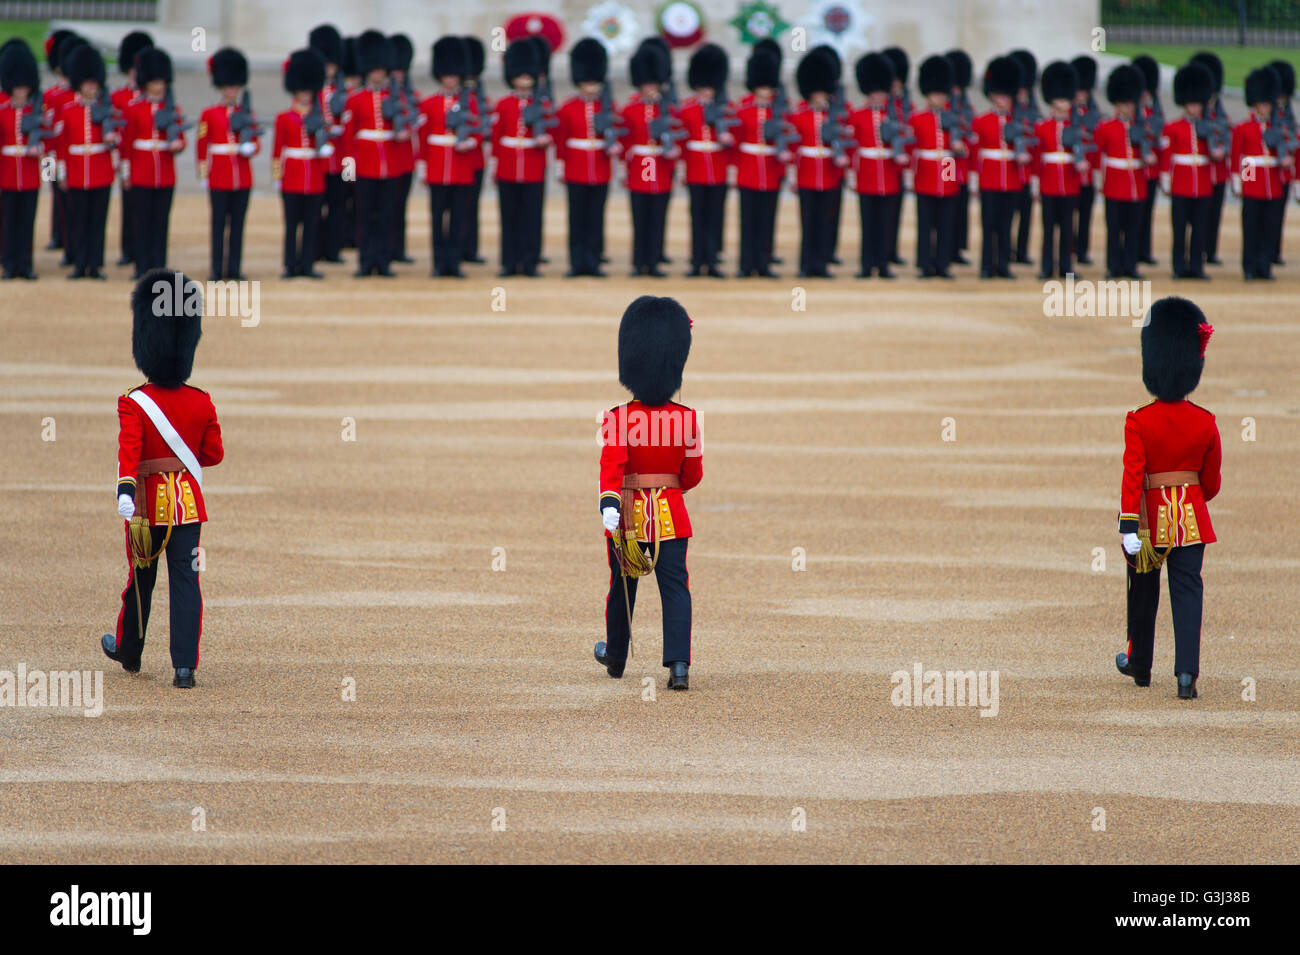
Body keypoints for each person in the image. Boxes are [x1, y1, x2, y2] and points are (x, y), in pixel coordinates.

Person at [102, 270, 224, 689]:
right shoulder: (201, 402)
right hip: (188, 506)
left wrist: (125, 491)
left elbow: (129, 453)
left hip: (147, 506)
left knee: (141, 578)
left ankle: (129, 651)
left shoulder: (134, 403)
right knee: (187, 581)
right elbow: (213, 455)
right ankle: (184, 668)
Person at [595, 296, 701, 692]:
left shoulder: (618, 418)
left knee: (623, 586)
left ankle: (617, 655)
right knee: (675, 589)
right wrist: (668, 488)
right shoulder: (687, 419)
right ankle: (678, 666)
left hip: (628, 517)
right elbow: (692, 475)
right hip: (673, 517)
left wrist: (610, 501)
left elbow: (612, 464)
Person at [1115, 297, 1220, 701]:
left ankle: (1141, 665)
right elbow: (1211, 482)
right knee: (1188, 590)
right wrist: (1192, 496)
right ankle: (1186, 675)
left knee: (1143, 587)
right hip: (1191, 517)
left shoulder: (1139, 420)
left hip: (1149, 519)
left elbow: (1132, 475)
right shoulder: (1205, 421)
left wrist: (1128, 525)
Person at [342, 30, 404, 277]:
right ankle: (366, 260)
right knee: (365, 215)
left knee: (387, 216)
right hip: (366, 164)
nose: (378, 73)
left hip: (390, 164)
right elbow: (348, 138)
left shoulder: (396, 97)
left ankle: (384, 261)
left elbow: (405, 130)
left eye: (381, 69)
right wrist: (349, 171)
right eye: (374, 69)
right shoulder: (355, 99)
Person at [120, 47, 186, 277]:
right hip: (141, 172)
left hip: (165, 173)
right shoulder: (134, 108)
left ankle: (159, 267)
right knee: (142, 222)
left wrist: (178, 145)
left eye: (161, 82)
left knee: (161, 223)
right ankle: (141, 267)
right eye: (154, 81)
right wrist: (126, 173)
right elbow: (127, 144)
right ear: (146, 82)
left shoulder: (173, 109)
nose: (159, 86)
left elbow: (180, 137)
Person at [418, 36, 479, 277]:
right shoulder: (429, 103)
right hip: (436, 166)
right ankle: (438, 262)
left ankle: (454, 262)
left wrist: (470, 142)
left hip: (461, 166)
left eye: (454, 75)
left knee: (458, 219)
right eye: (447, 74)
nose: (451, 78)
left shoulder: (470, 102)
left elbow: (478, 131)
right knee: (436, 218)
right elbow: (423, 138)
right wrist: (422, 166)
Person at [554, 37, 616, 278]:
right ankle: (577, 262)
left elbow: (619, 131)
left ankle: (593, 261)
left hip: (600, 167)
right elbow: (561, 140)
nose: (590, 86)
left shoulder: (608, 107)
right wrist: (561, 167)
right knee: (577, 218)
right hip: (575, 167)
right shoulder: (568, 108)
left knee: (596, 218)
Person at [54, 44, 115, 280]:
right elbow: (60, 146)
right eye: (87, 83)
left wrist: (113, 139)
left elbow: (119, 140)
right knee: (78, 220)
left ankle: (95, 265)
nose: (91, 87)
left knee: (98, 221)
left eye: (94, 83)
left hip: (101, 171)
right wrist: (60, 174)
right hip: (77, 172)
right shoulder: (68, 110)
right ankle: (80, 264)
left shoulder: (107, 111)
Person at [197, 47, 258, 281]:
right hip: (219, 176)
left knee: (238, 226)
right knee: (218, 224)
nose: (232, 91)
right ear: (221, 87)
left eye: (235, 87)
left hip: (242, 176)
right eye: (228, 87)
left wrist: (251, 148)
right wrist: (204, 174)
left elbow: (254, 140)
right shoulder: (209, 114)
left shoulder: (247, 114)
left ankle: (234, 268)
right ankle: (216, 268)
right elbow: (202, 146)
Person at [491, 38, 550, 277]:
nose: (525, 78)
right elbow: (496, 138)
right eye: (520, 73)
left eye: (529, 74)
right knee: (509, 217)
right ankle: (509, 262)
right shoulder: (504, 104)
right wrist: (495, 166)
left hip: (533, 165)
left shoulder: (543, 104)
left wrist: (546, 140)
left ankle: (530, 262)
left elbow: (554, 131)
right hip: (507, 165)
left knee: (532, 217)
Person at [619, 41, 678, 277]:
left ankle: (653, 261)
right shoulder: (630, 110)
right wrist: (624, 169)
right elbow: (625, 141)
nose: (651, 88)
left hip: (661, 166)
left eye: (654, 84)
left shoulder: (670, 110)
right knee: (639, 216)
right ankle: (638, 262)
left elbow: (678, 137)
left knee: (657, 217)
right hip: (640, 165)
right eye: (647, 84)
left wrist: (675, 159)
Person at [790, 48, 847, 278]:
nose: (821, 96)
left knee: (825, 222)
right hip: (806, 174)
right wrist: (793, 176)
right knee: (808, 222)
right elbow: (794, 148)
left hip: (828, 173)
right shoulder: (798, 116)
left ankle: (821, 264)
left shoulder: (836, 117)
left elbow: (846, 143)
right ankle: (806, 265)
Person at [273, 48, 331, 278]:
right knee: (291, 225)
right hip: (292, 177)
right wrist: (278, 177)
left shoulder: (320, 117)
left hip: (314, 177)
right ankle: (290, 264)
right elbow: (278, 150)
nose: (306, 95)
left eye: (309, 91)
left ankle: (307, 264)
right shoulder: (284, 118)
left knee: (311, 224)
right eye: (302, 91)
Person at [677, 43, 731, 278]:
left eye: (711, 86)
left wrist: (729, 139)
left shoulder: (726, 109)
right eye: (704, 86)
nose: (707, 91)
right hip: (696, 169)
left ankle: (712, 261)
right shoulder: (686, 109)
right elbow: (681, 141)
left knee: (716, 217)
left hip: (718, 169)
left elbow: (737, 139)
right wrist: (680, 170)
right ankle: (697, 261)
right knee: (697, 217)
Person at [973, 55, 1029, 279]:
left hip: (1012, 179)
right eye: (999, 95)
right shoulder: (981, 121)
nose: (1002, 100)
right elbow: (974, 154)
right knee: (988, 226)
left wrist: (1026, 174)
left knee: (1006, 227)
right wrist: (972, 180)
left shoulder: (1020, 123)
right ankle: (987, 266)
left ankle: (1004, 264)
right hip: (989, 179)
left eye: (1006, 95)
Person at [848, 52, 904, 279]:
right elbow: (852, 146)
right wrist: (852, 175)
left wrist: (903, 164)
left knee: (886, 224)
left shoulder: (896, 115)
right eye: (875, 92)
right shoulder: (857, 116)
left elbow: (906, 145)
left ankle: (883, 265)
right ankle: (866, 265)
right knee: (868, 224)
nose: (879, 97)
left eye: (882, 92)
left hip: (889, 175)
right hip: (867, 175)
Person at [1094, 64, 1152, 280]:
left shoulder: (1142, 127)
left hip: (1136, 183)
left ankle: (1130, 265)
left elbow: (1153, 153)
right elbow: (1098, 155)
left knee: (1133, 228)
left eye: (1129, 103)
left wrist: (1149, 158)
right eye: (1123, 103)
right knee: (1114, 228)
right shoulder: (1106, 127)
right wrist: (1099, 180)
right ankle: (1113, 266)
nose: (1127, 108)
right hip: (1114, 183)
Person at [1159, 62, 1216, 280]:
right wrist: (1165, 181)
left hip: (1202, 184)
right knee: (1180, 230)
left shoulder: (1209, 127)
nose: (1194, 108)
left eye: (1197, 104)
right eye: (1190, 104)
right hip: (1181, 184)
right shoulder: (1172, 127)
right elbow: (1167, 156)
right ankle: (1178, 267)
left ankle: (1197, 267)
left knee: (1200, 229)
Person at [909, 54, 963, 279]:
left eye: (941, 94)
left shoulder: (954, 118)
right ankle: (925, 264)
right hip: (926, 170)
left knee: (945, 222)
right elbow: (912, 148)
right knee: (925, 223)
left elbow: (965, 146)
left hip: (947, 166)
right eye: (934, 94)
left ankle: (942, 263)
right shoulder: (918, 118)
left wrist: (960, 147)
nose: (938, 98)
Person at [733, 46, 786, 278]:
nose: (765, 91)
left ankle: (763, 264)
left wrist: (784, 166)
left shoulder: (779, 112)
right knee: (747, 222)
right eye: (762, 87)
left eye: (768, 87)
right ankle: (746, 265)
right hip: (748, 170)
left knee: (767, 221)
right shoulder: (743, 110)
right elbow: (735, 142)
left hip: (771, 171)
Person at [1231, 67, 1288, 281]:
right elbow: (1240, 156)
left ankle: (1264, 266)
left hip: (1273, 183)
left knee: (1270, 228)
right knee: (1251, 228)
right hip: (1254, 183)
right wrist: (1243, 184)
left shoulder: (1280, 128)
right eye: (1262, 104)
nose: (1264, 108)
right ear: (1255, 104)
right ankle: (1249, 266)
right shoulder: (1244, 128)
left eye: (1267, 104)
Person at [1034, 61, 1087, 279]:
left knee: (1067, 230)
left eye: (1065, 99)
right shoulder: (1042, 126)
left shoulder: (1078, 127)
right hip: (1048, 183)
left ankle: (1066, 267)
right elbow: (1038, 158)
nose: (1062, 104)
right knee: (1048, 230)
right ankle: (1047, 267)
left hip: (1069, 183)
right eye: (1058, 99)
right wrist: (1036, 184)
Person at [0, 42, 42, 279]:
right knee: (7, 223)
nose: (21, 91)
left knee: (27, 224)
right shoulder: (2, 109)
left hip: (30, 176)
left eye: (24, 87)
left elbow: (51, 147)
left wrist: (48, 177)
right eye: (17, 87)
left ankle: (25, 264)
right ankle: (9, 264)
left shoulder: (37, 110)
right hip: (7, 175)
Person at [111, 30, 152, 268]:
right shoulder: (119, 96)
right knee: (129, 206)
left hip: (143, 159)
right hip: (125, 156)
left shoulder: (150, 99)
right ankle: (128, 248)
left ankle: (143, 249)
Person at [42, 31, 83, 260]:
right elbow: (48, 123)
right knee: (55, 193)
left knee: (69, 198)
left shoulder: (72, 95)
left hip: (68, 153)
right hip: (51, 153)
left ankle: (68, 240)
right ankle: (57, 234)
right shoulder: (52, 95)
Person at [310, 23, 348, 263]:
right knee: (315, 208)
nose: (329, 69)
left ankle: (333, 249)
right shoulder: (312, 92)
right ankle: (314, 248)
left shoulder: (343, 92)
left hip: (341, 158)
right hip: (317, 158)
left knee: (337, 206)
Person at [1190, 52, 1228, 266]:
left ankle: (1210, 250)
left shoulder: (1222, 118)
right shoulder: (1196, 117)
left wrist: (1243, 180)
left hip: (1219, 173)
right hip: (1200, 174)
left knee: (1214, 215)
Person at [1132, 55, 1164, 267]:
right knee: (1133, 216)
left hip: (1150, 171)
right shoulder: (1133, 114)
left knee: (1147, 212)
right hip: (1134, 170)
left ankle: (1145, 249)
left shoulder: (1154, 112)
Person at [1008, 49, 1040, 265]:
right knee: (1007, 217)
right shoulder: (1009, 115)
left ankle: (1021, 250)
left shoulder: (1032, 113)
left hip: (1027, 173)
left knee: (1026, 216)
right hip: (1009, 172)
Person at [388, 33, 417, 264]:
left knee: (400, 205)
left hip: (405, 158)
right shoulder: (382, 98)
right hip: (385, 158)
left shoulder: (412, 96)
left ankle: (398, 247)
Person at [881, 45, 911, 266]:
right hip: (881, 165)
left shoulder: (903, 106)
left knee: (894, 212)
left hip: (897, 167)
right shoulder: (882, 108)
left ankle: (891, 249)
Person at [1070, 55, 1101, 265]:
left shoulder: (1094, 115)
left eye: (1084, 91)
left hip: (1088, 173)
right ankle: (1070, 249)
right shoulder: (1068, 116)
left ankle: (1082, 250)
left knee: (1085, 215)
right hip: (1070, 173)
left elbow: (1098, 148)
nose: (1081, 95)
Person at [946, 48, 976, 265]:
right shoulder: (945, 108)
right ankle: (946, 248)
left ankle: (957, 247)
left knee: (961, 208)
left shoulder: (967, 108)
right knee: (947, 205)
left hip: (962, 165)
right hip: (947, 165)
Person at [461, 35, 488, 265]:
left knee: (471, 205)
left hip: (475, 158)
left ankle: (470, 247)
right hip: (458, 160)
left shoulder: (480, 97)